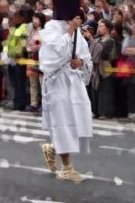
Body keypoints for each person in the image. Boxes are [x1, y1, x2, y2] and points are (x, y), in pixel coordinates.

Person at [39, 14, 93, 182]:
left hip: (74, 83)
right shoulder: (51, 29)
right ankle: (66, 167)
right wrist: (70, 31)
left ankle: (53, 147)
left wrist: (81, 62)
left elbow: (85, 54)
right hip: (58, 83)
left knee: (75, 122)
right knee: (62, 122)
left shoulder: (78, 33)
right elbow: (55, 55)